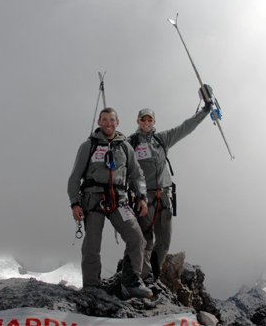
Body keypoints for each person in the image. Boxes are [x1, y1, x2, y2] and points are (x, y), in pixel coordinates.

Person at [67, 107, 153, 298]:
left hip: (120, 200)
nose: (108, 123)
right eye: (104, 120)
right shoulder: (88, 146)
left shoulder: (125, 147)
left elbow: (137, 175)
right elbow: (74, 178)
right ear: (99, 122)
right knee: (92, 244)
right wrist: (75, 203)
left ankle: (131, 282)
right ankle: (91, 287)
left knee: (137, 237)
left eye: (112, 120)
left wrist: (142, 198)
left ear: (118, 122)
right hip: (93, 200)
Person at [128, 99, 213, 282]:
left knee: (164, 240)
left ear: (154, 122)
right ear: (138, 121)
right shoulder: (130, 143)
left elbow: (185, 127)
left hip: (164, 196)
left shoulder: (162, 139)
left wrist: (205, 111)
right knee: (146, 239)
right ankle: (144, 276)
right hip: (144, 197)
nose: (146, 123)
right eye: (143, 119)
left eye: (150, 120)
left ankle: (155, 275)